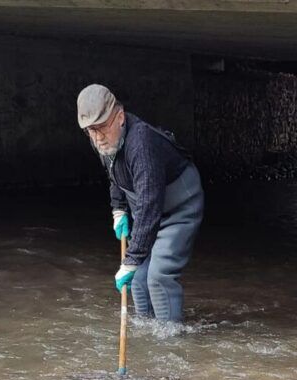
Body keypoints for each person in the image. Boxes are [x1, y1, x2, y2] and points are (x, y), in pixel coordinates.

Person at [77, 84, 204, 323]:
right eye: (90, 131)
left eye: (101, 128)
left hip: (180, 207)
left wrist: (133, 259)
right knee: (136, 279)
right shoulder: (100, 139)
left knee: (158, 276)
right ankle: (147, 334)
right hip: (147, 208)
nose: (97, 137)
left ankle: (170, 342)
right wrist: (118, 209)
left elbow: (149, 204)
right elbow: (114, 171)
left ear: (120, 118)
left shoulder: (142, 144)